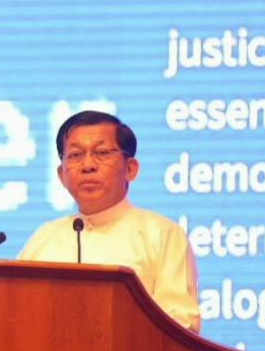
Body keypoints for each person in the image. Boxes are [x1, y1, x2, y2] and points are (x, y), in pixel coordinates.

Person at [18, 111, 201, 332]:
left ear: (130, 169)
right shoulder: (44, 238)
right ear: (61, 174)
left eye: (102, 153)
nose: (88, 165)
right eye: (75, 155)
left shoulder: (162, 234)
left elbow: (181, 324)